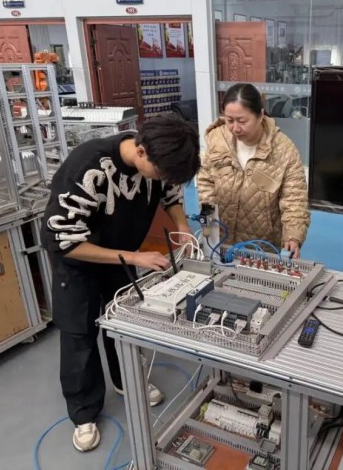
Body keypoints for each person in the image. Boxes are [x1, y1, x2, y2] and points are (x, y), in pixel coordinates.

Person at [40, 116, 200, 452]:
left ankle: (126, 379)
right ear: (141, 152)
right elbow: (63, 241)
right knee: (79, 336)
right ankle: (84, 412)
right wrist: (134, 257)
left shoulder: (158, 159)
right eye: (161, 172)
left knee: (123, 324)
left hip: (122, 256)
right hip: (79, 263)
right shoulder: (88, 167)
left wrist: (182, 226)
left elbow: (170, 193)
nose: (163, 179)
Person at [197, 83, 310, 257]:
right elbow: (206, 181)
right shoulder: (217, 140)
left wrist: (293, 235)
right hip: (221, 238)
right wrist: (210, 220)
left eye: (242, 121)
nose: (235, 128)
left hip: (262, 245)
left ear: (260, 115)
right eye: (229, 120)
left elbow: (294, 198)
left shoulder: (283, 150)